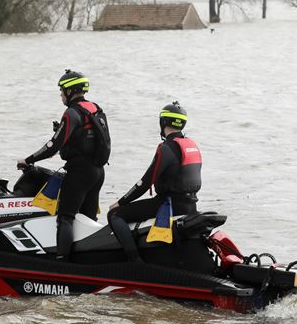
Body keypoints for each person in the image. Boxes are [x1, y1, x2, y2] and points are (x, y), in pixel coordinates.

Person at [17, 69, 108, 261]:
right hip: (98, 172)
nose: (60, 95)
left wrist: (28, 160)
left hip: (80, 173)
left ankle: (61, 262)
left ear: (70, 91)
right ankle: (89, 259)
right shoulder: (95, 109)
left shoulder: (72, 112)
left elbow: (52, 147)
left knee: (65, 218)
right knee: (87, 219)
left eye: (61, 91)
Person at [107, 101, 202, 262]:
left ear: (163, 122)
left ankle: (135, 261)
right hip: (191, 205)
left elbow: (145, 183)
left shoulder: (167, 148)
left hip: (169, 204)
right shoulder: (191, 145)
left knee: (115, 215)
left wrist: (121, 202)